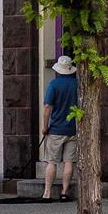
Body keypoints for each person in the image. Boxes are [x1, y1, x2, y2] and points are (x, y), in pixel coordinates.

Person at [39, 53, 78, 201]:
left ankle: (47, 193)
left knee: (52, 162)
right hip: (72, 129)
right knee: (69, 162)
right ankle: (64, 192)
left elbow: (48, 107)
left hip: (56, 129)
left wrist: (45, 126)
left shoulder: (54, 85)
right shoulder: (77, 84)